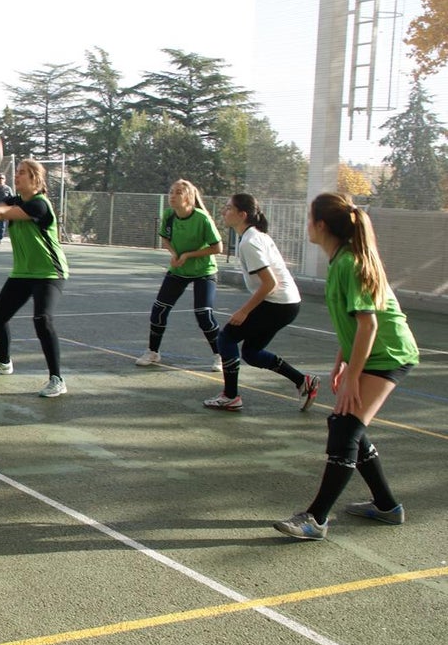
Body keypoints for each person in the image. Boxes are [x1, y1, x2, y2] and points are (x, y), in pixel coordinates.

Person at [273, 192, 419, 541]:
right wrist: (342, 362)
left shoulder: (349, 265)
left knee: (344, 428)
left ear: (321, 225)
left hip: (389, 354)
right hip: (373, 353)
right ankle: (387, 506)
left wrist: (353, 375)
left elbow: (369, 325)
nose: (307, 225)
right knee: (345, 424)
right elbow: (352, 324)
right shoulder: (341, 261)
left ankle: (316, 519)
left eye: (309, 219)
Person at [0, 159, 69, 398]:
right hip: (23, 272)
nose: (17, 176)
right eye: (16, 173)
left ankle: (57, 378)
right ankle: (4, 362)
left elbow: (5, 212)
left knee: (42, 319)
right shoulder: (15, 200)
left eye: (22, 173)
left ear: (35, 179)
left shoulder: (40, 205)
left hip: (49, 272)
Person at [203, 194, 319, 412]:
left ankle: (230, 396)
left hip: (279, 303)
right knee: (252, 352)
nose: (224, 212)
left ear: (242, 215)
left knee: (226, 338)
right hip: (288, 303)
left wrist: (244, 311)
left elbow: (269, 283)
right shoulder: (254, 236)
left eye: (228, 208)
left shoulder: (250, 242)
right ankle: (303, 381)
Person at [135, 178, 223, 371]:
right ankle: (153, 351)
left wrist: (188, 255)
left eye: (178, 193)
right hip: (179, 270)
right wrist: (175, 254)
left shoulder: (202, 218)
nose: (172, 196)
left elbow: (218, 247)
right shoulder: (168, 215)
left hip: (204, 272)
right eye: (171, 192)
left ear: (189, 198)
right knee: (159, 310)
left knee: (203, 314)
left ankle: (220, 355)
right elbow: (165, 238)